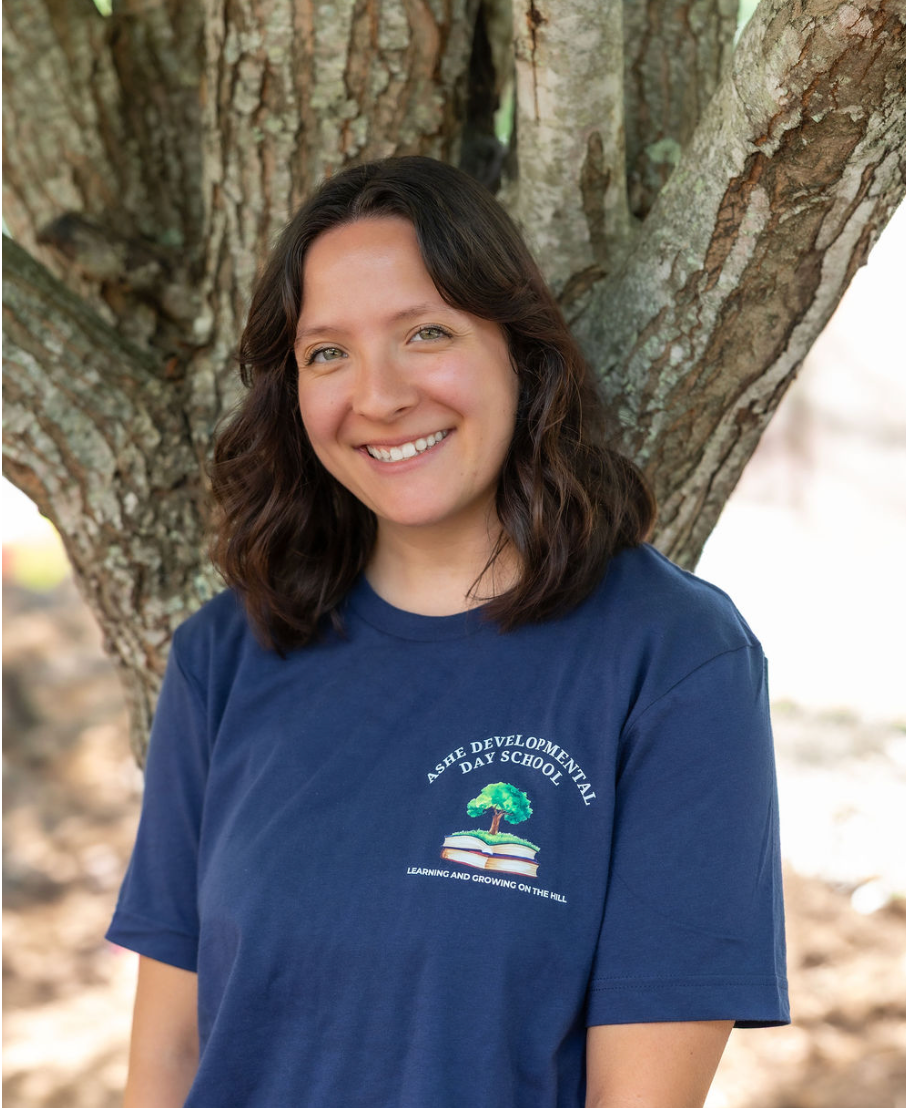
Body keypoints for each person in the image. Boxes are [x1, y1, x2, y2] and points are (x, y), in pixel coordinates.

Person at [107, 156, 789, 1108]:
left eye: (426, 332)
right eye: (328, 352)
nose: (378, 396)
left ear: (520, 348)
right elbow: (167, 1066)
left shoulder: (672, 660)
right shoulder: (224, 656)